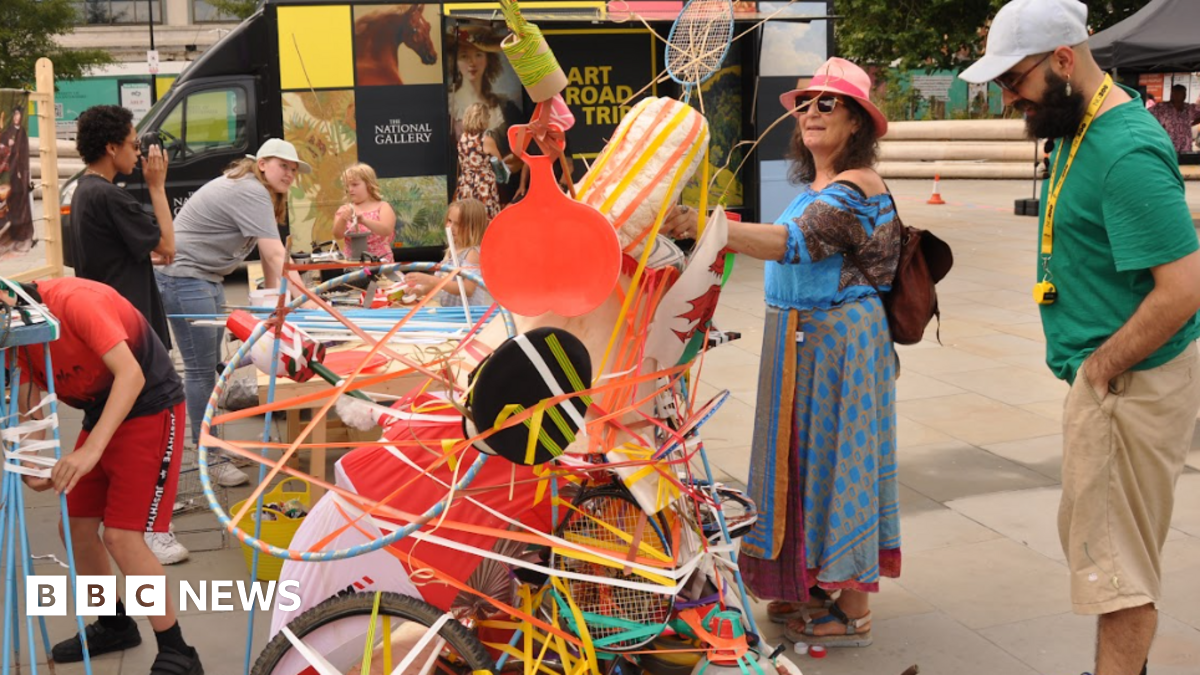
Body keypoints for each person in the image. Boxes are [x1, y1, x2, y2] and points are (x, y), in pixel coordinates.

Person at [960, 2, 1200, 674]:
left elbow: (1184, 287)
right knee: (1104, 557)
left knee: (1117, 577)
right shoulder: (1077, 122)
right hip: (1115, 383)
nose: (1011, 100)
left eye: (1016, 81)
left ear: (1064, 59)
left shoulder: (1123, 149)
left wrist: (1100, 368)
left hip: (1129, 383)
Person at [664, 57, 901, 648]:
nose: (811, 113)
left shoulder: (858, 186)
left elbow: (793, 242)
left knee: (841, 465)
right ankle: (814, 585)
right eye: (805, 104)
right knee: (802, 468)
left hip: (839, 345)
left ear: (857, 124)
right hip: (802, 342)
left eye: (829, 103)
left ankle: (851, 607)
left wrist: (707, 225)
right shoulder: (817, 186)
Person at [11, 277, 202, 675]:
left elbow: (130, 376)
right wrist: (32, 464)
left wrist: (90, 450)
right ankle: (114, 624)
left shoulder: (75, 301)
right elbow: (32, 408)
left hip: (151, 405)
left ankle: (178, 650)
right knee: (75, 526)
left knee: (121, 535)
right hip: (103, 411)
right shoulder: (14, 334)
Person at [156, 139, 312, 491]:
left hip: (203, 276)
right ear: (261, 164)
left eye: (293, 168)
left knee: (212, 367)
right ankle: (208, 457)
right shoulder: (251, 191)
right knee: (200, 371)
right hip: (185, 277)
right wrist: (307, 301)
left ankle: (212, 445)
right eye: (282, 165)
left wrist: (273, 302)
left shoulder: (260, 192)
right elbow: (274, 254)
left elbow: (267, 252)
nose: (289, 173)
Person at [70, 105, 175, 351]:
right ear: (112, 147)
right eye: (134, 145)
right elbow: (169, 246)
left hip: (105, 322)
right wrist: (157, 186)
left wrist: (141, 255)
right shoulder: (111, 196)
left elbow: (106, 252)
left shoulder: (83, 190)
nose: (139, 154)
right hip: (129, 322)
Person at [449, 25, 523, 203]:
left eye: (478, 54)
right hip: (484, 190)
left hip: (466, 190)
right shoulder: (485, 140)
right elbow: (501, 172)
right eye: (464, 56)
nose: (472, 62)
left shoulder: (465, 139)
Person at [404, 197, 493, 307]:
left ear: (473, 227)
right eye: (449, 221)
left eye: (458, 224)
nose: (451, 227)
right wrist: (421, 290)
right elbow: (440, 279)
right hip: (451, 312)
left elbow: (467, 289)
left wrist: (430, 279)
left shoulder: (472, 253)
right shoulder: (452, 249)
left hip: (469, 317)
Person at [332, 162, 397, 263]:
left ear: (369, 184)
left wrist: (364, 220)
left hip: (380, 261)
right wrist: (342, 219)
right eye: (347, 185)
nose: (350, 189)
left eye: (355, 184)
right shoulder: (344, 209)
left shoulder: (383, 206)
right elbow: (337, 235)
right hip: (352, 262)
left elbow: (387, 230)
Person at [454, 103, 503, 218]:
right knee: (484, 220)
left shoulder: (462, 139)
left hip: (465, 184)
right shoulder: (486, 140)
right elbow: (500, 164)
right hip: (483, 185)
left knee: (468, 220)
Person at [0, 105, 32, 253]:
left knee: (21, 203)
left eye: (19, 115)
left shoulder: (23, 132)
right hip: (10, 174)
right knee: (12, 203)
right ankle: (13, 233)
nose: (17, 117)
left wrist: (23, 171)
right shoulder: (8, 132)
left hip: (21, 173)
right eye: (15, 114)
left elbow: (24, 153)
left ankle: (21, 234)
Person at [1150, 84, 1200, 154]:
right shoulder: (1161, 107)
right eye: (1177, 92)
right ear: (1172, 94)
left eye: (1183, 93)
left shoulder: (1189, 108)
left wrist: (1192, 124)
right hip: (1167, 148)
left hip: (1185, 149)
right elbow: (1145, 115)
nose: (1180, 95)